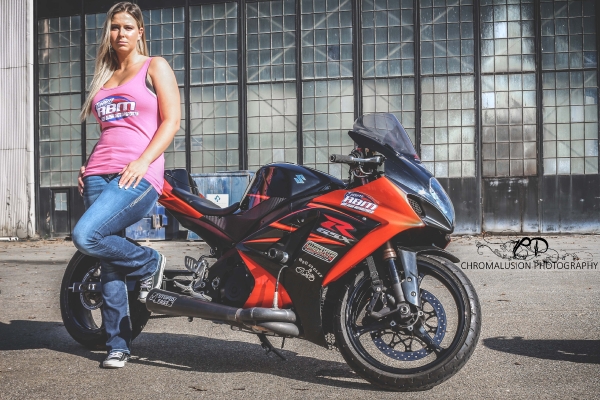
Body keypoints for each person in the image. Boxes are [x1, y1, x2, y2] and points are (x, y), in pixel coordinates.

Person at [72, 2, 180, 369]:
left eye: (128, 27)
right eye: (115, 27)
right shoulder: (104, 78)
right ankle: (118, 343)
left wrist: (144, 161)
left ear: (140, 32)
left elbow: (171, 121)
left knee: (87, 236)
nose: (121, 34)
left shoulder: (155, 66)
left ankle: (149, 260)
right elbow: (109, 132)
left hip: (136, 174)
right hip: (98, 174)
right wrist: (87, 164)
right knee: (107, 262)